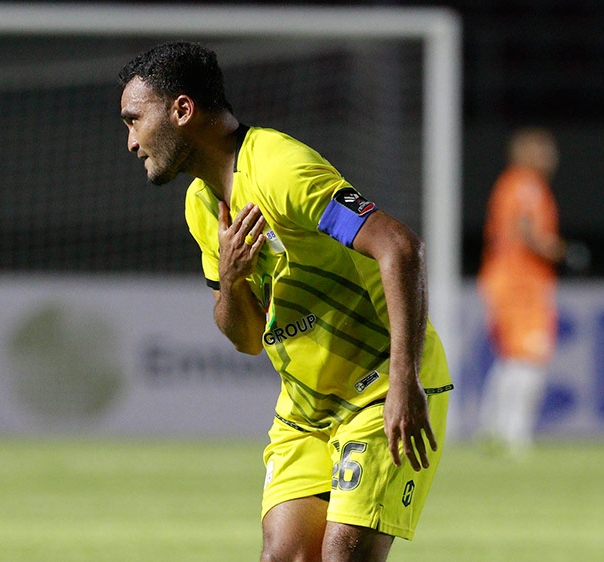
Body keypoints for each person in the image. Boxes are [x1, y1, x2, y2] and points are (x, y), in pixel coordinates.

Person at [119, 42, 453, 561]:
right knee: (286, 556)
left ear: (181, 111)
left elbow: (399, 246)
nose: (131, 140)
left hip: (381, 385)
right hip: (305, 409)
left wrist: (405, 380)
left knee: (343, 553)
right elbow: (248, 339)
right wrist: (230, 281)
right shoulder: (200, 206)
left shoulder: (278, 168)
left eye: (134, 120)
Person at [477, 128, 564, 457]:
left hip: (505, 279)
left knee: (513, 356)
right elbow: (528, 230)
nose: (551, 157)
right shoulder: (527, 184)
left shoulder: (510, 183)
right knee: (531, 354)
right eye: (544, 149)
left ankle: (493, 425)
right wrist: (556, 250)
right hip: (520, 282)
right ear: (525, 153)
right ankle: (515, 433)